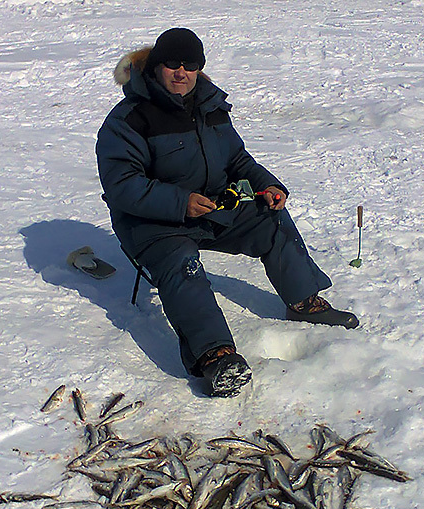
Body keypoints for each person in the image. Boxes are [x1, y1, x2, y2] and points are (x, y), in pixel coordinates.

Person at [96, 28, 358, 397]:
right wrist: (179, 201)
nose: (181, 72)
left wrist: (268, 184)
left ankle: (303, 302)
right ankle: (215, 356)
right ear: (156, 67)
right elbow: (121, 185)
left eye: (191, 65)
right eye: (172, 64)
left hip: (210, 209)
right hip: (153, 222)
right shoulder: (129, 119)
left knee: (269, 218)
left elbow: (236, 159)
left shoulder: (209, 106)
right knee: (183, 265)